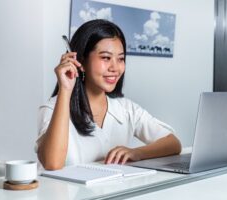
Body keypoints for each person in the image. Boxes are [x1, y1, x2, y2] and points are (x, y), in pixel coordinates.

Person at [36, 19, 181, 170]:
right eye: (105, 58)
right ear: (81, 61)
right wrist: (65, 90)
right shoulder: (52, 108)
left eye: (120, 59)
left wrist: (137, 153)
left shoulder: (127, 109)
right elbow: (53, 163)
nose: (115, 67)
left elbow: (173, 143)